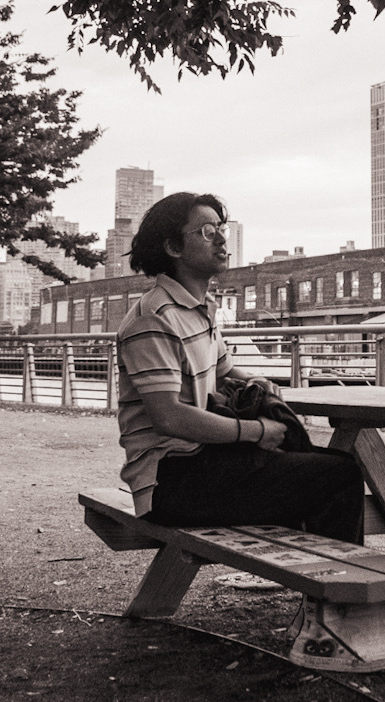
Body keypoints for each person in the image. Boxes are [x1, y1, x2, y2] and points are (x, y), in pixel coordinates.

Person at [115, 191, 366, 545]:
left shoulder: (198, 308)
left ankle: (327, 590)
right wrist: (257, 431)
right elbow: (168, 417)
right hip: (170, 480)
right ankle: (340, 592)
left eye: (220, 228)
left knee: (320, 468)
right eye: (205, 231)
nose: (220, 238)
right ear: (172, 247)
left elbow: (226, 371)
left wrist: (260, 382)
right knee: (338, 475)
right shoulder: (153, 319)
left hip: (202, 464)